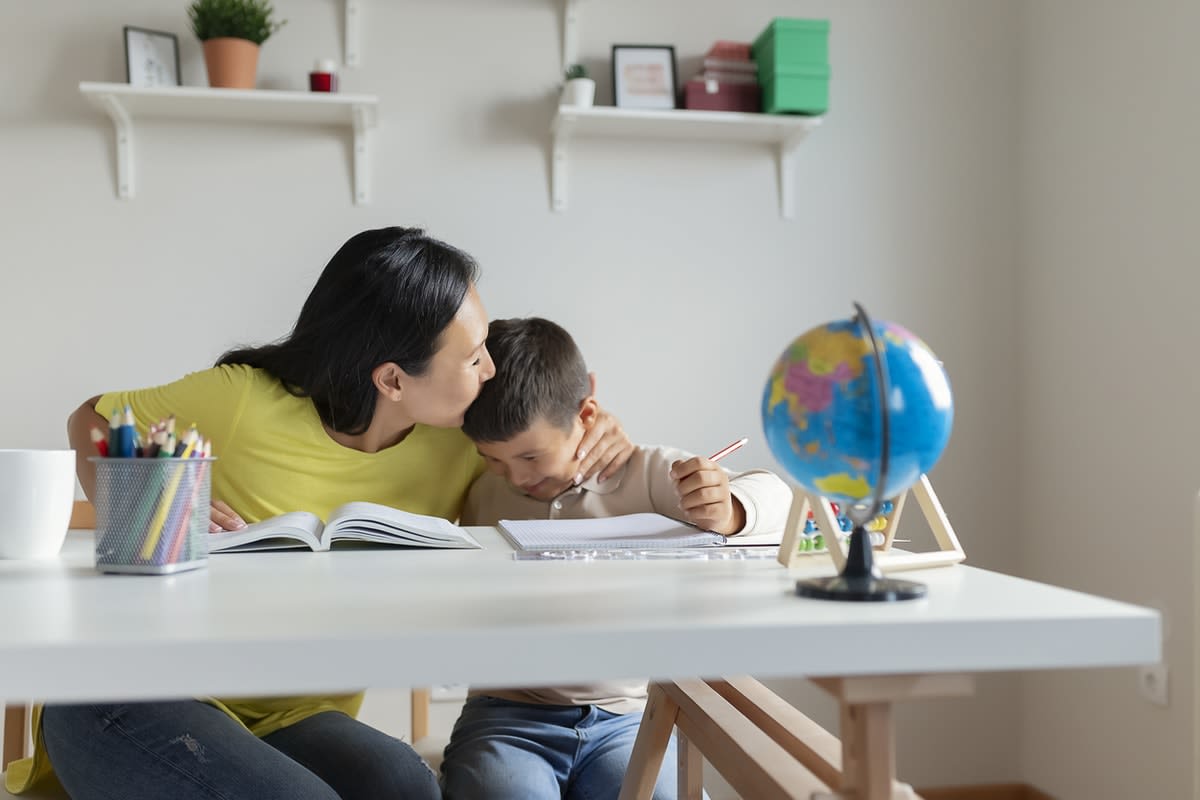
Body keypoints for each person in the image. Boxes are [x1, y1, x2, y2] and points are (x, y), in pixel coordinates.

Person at [9, 228, 635, 800]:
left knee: (409, 789)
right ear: (393, 379)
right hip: (135, 696)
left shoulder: (459, 447)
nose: (489, 368)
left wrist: (595, 427)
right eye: (473, 358)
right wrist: (152, 500)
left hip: (287, 715)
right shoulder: (242, 401)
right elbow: (91, 415)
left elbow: (548, 443)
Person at [441, 316, 792, 800]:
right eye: (494, 458)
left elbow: (777, 495)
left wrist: (729, 506)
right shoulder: (481, 489)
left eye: (530, 458)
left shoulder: (644, 473)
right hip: (506, 717)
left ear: (587, 416)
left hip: (624, 720)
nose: (516, 478)